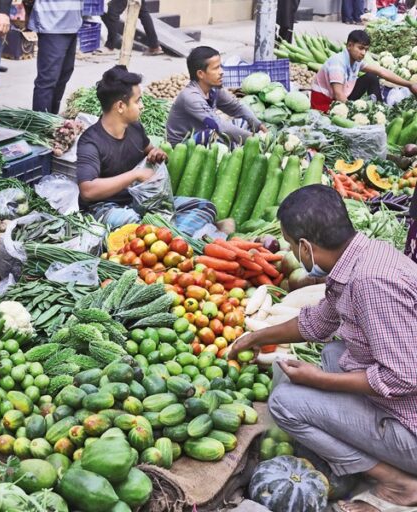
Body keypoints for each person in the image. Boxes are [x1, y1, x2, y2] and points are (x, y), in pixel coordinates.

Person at [228, 185, 417, 512]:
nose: (293, 252)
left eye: (290, 245)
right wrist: (253, 337)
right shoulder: (363, 257)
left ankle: (398, 482)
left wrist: (318, 380)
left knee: (285, 403)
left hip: (411, 427)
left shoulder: (372, 284)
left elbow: (403, 378)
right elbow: (317, 322)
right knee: (333, 354)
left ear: (305, 247)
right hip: (404, 407)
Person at [77, 66, 167, 228]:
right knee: (136, 222)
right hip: (102, 209)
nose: (142, 106)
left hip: (136, 201)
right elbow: (87, 191)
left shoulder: (135, 128)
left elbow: (149, 150)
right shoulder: (90, 142)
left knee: (202, 206)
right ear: (120, 106)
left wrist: (156, 153)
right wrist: (135, 175)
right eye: (137, 100)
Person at [166, 46, 266, 146]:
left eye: (220, 66)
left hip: (202, 134)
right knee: (213, 133)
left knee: (244, 122)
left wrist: (259, 125)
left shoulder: (213, 89)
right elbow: (218, 126)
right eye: (216, 68)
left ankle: (237, 146)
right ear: (201, 74)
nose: (221, 72)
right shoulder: (191, 98)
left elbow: (236, 107)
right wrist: (254, 139)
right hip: (182, 145)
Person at [311, 30, 417, 113]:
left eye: (366, 49)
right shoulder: (337, 63)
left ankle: (379, 109)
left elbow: (381, 72)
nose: (363, 53)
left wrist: (409, 85)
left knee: (371, 77)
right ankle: (372, 112)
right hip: (324, 102)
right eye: (360, 48)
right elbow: (338, 95)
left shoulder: (356, 61)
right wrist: (355, 112)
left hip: (342, 95)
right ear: (349, 46)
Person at [29, 0, 82, 113]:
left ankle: (52, 121)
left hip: (72, 22)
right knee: (48, 79)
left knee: (63, 76)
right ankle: (41, 127)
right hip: (52, 23)